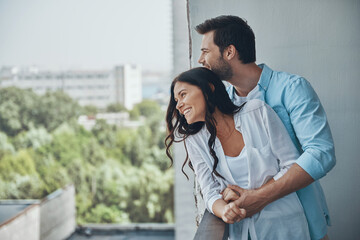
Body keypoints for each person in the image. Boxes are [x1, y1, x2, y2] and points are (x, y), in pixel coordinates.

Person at [195, 15, 335, 240]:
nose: (200, 59)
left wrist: (260, 197)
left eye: (205, 51)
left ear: (229, 52)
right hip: (247, 230)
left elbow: (321, 153)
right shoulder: (221, 107)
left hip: (305, 226)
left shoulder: (292, 89)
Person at [165, 67, 310, 239]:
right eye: (176, 100)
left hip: (286, 226)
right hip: (241, 232)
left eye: (183, 94)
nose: (179, 105)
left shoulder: (257, 112)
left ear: (209, 88)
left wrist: (255, 197)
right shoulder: (195, 140)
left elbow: (293, 165)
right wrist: (225, 210)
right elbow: (210, 192)